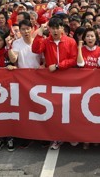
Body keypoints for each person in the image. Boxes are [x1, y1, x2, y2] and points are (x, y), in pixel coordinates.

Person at [32, 17, 78, 150]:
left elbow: (73, 59)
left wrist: (58, 66)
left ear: (63, 28)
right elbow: (35, 49)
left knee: (69, 109)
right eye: (52, 28)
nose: (55, 30)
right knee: (54, 110)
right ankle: (56, 137)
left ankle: (70, 135)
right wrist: (40, 31)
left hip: (68, 80)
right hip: (51, 81)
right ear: (49, 29)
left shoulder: (70, 41)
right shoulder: (46, 41)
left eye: (58, 27)